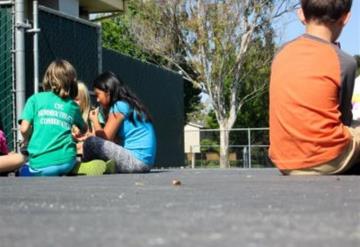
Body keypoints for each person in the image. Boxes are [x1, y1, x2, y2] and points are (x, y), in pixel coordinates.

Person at [269, 0, 358, 175]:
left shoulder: (281, 54)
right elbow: (345, 119)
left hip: (285, 162)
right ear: (346, 18)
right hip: (327, 159)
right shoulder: (344, 62)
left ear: (301, 14)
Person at [19, 59, 87, 176]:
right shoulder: (72, 105)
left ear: (48, 79)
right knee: (66, 162)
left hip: (41, 166)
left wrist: (26, 140)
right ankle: (76, 167)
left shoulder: (35, 99)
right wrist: (79, 132)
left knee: (22, 170)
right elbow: (84, 128)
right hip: (67, 160)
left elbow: (24, 129)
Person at [80, 71, 156, 173]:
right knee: (90, 140)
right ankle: (104, 166)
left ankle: (84, 167)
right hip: (144, 163)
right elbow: (115, 140)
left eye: (98, 94)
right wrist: (88, 135)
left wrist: (94, 120)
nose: (97, 99)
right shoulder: (128, 104)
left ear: (108, 92)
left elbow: (104, 139)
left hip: (136, 161)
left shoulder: (120, 106)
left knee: (90, 143)